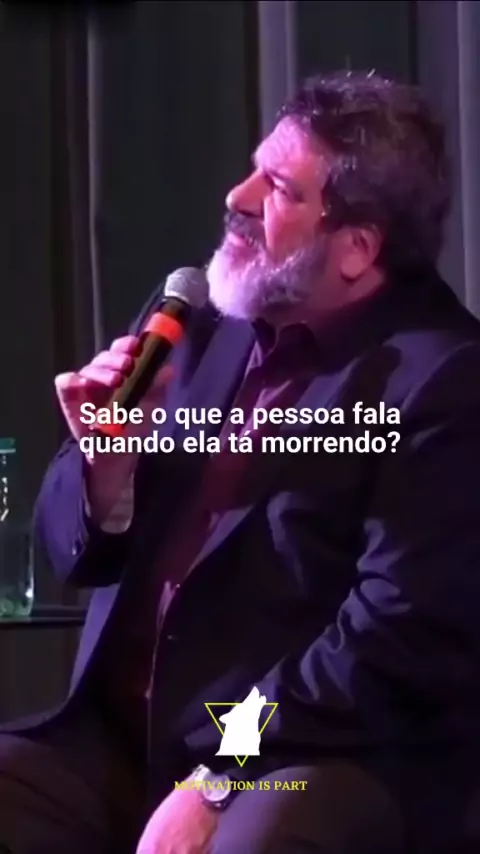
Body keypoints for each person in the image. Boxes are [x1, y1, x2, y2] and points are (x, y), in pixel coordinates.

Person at [1, 69, 480, 854]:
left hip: (298, 756)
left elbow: (384, 642)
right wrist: (105, 468)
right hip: (121, 744)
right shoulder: (199, 316)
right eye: (256, 167)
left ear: (356, 248)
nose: (238, 196)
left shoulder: (444, 380)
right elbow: (69, 552)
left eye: (280, 188)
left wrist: (224, 769)